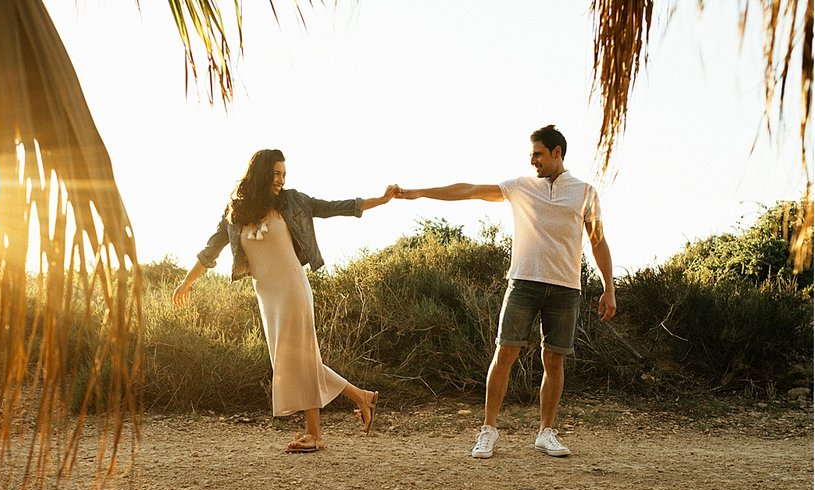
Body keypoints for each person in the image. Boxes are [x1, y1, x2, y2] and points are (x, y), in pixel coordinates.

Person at [393, 124, 616, 459]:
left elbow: (598, 242)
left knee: (553, 359)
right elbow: (469, 189)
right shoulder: (521, 187)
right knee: (505, 354)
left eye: (538, 154)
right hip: (523, 282)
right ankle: (488, 430)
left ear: (557, 153)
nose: (533, 162)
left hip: (565, 288)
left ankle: (546, 433)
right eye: (531, 155)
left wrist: (608, 288)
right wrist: (420, 192)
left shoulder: (585, 192)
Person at [174, 149, 390, 453]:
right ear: (261, 173)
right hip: (268, 296)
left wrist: (378, 200)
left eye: (284, 175)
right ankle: (361, 397)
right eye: (276, 174)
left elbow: (332, 207)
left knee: (299, 359)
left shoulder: (291, 202)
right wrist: (187, 281)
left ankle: (314, 434)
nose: (281, 180)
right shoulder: (234, 215)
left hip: (293, 289)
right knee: (292, 362)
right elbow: (210, 250)